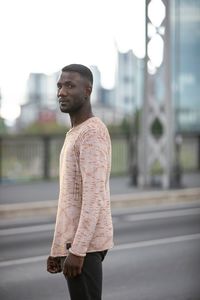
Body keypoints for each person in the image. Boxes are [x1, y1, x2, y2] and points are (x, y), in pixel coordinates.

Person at [47, 64, 114, 300]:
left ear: (87, 91)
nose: (61, 92)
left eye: (69, 85)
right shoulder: (76, 132)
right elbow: (70, 200)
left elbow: (93, 197)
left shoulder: (91, 133)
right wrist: (58, 247)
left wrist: (77, 250)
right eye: (59, 85)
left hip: (85, 248)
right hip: (75, 246)